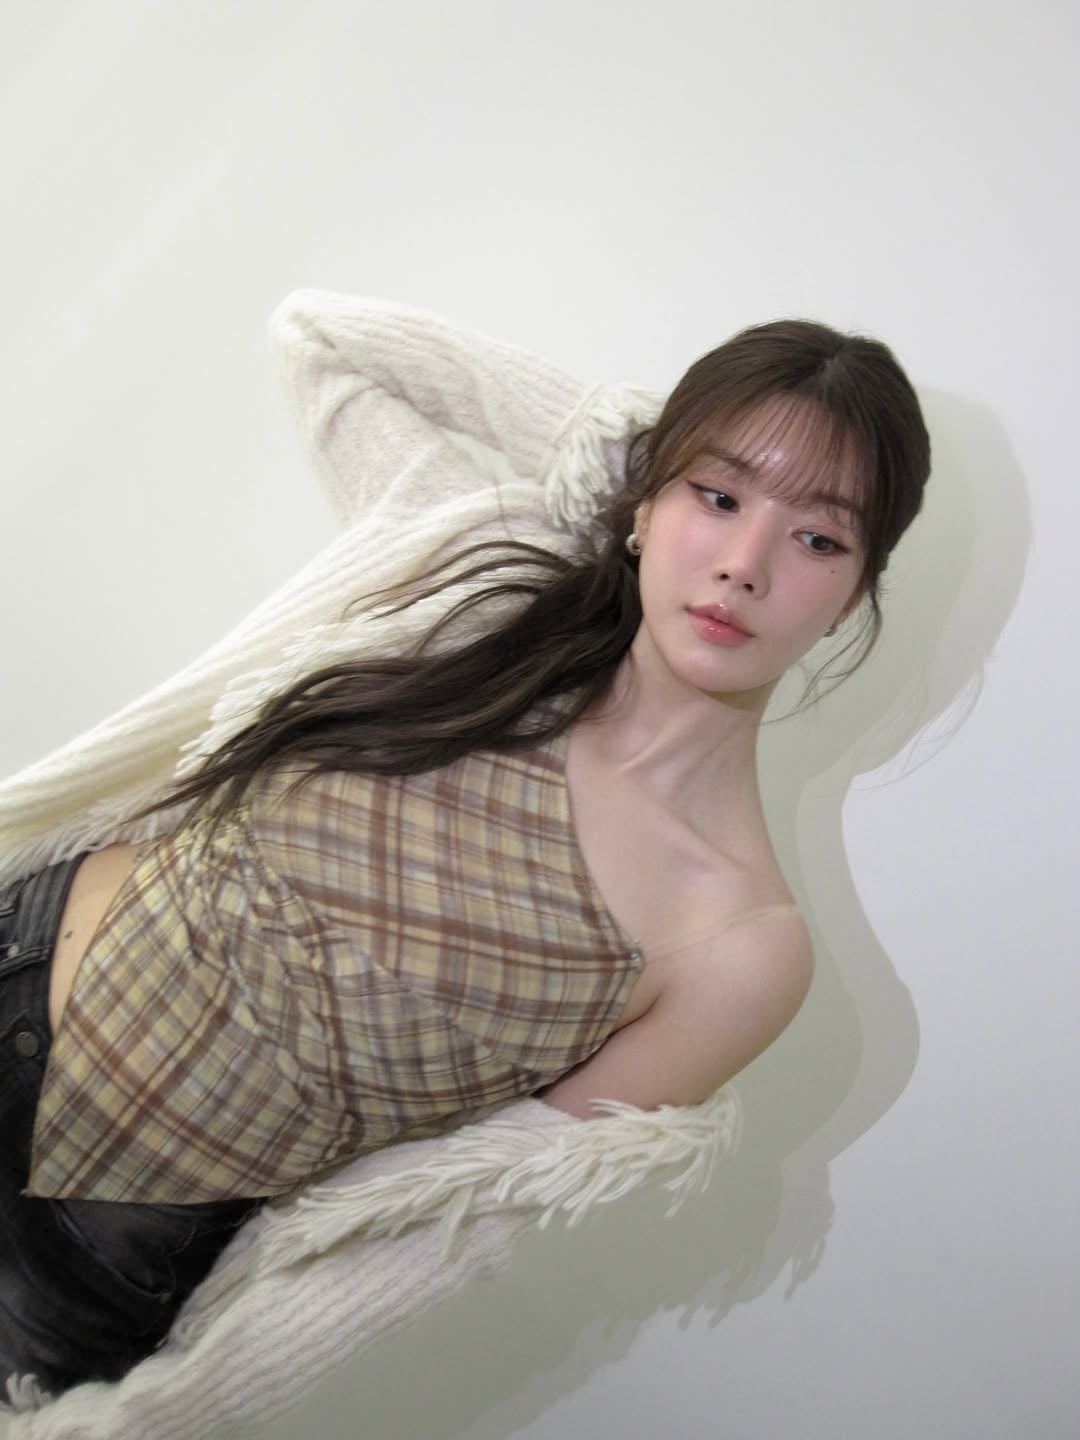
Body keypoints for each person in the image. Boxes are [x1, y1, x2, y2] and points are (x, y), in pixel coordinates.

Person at [0, 291, 930, 1398]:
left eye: (818, 537)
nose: (744, 562)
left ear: (855, 595)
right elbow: (322, 340)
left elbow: (428, 1227)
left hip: (82, 1246)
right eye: (716, 495)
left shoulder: (742, 948)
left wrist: (157, 1416)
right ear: (646, 498)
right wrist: (628, 458)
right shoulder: (487, 594)